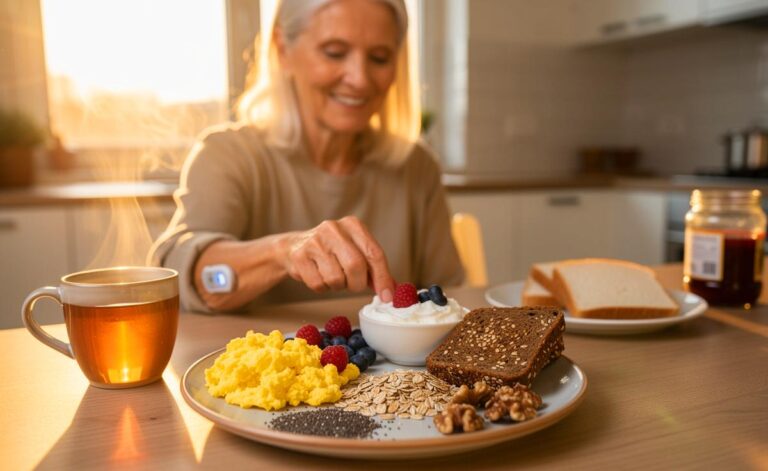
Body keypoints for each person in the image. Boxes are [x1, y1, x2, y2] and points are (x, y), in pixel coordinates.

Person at [149, 0, 463, 312]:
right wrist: (282, 252)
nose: (360, 79)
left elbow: (449, 297)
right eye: (335, 53)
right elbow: (181, 276)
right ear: (283, 48)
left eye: (379, 58)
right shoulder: (228, 155)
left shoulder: (416, 167)